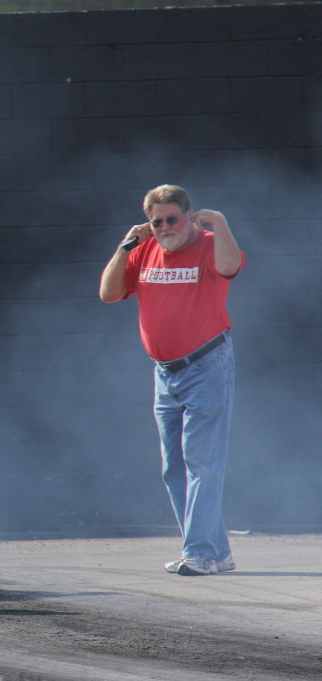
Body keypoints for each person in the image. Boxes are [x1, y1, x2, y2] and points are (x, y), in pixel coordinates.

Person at [99, 184, 245, 576]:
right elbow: (109, 293)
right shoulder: (144, 249)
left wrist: (221, 223)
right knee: (175, 469)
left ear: (188, 215)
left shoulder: (211, 242)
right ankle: (216, 552)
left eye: (172, 219)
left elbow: (230, 267)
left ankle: (198, 552)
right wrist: (125, 247)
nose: (165, 227)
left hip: (206, 365)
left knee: (202, 462)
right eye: (157, 221)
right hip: (165, 373)